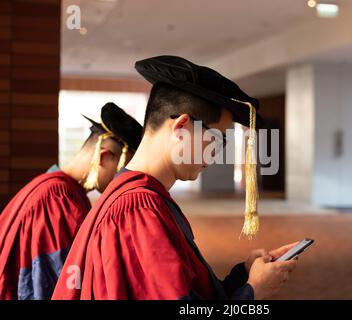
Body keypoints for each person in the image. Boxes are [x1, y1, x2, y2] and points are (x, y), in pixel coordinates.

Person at [52, 55, 299, 300]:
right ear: (181, 128)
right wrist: (253, 292)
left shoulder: (139, 196)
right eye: (218, 139)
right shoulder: (138, 210)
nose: (216, 153)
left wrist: (244, 276)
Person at [0, 103, 143, 300]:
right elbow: (57, 282)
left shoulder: (56, 188)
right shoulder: (59, 199)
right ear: (103, 157)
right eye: (124, 169)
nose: (124, 179)